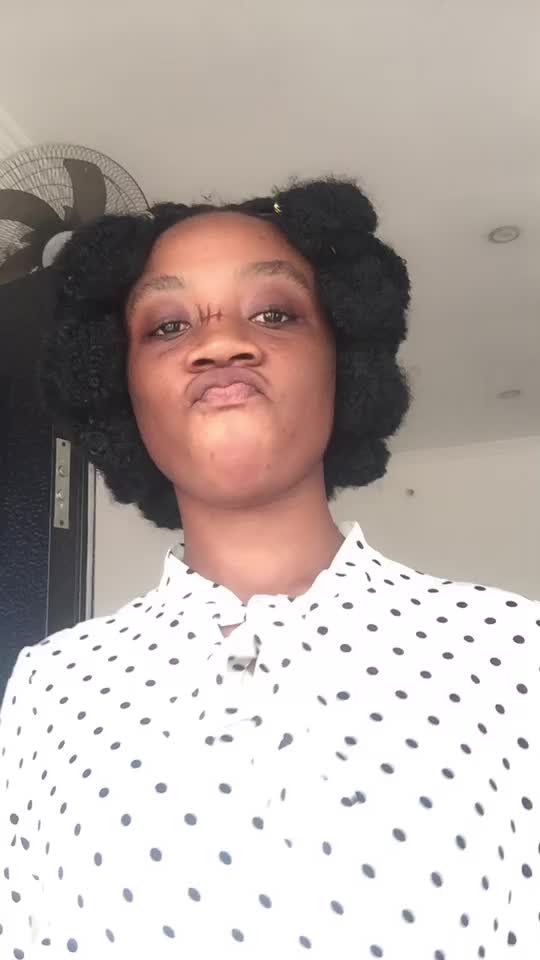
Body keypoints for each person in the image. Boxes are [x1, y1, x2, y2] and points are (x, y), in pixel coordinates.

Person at [0, 177, 538, 960]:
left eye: (275, 314)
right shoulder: (51, 689)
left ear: (341, 361)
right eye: (168, 326)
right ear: (122, 391)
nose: (220, 343)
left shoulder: (513, 650)